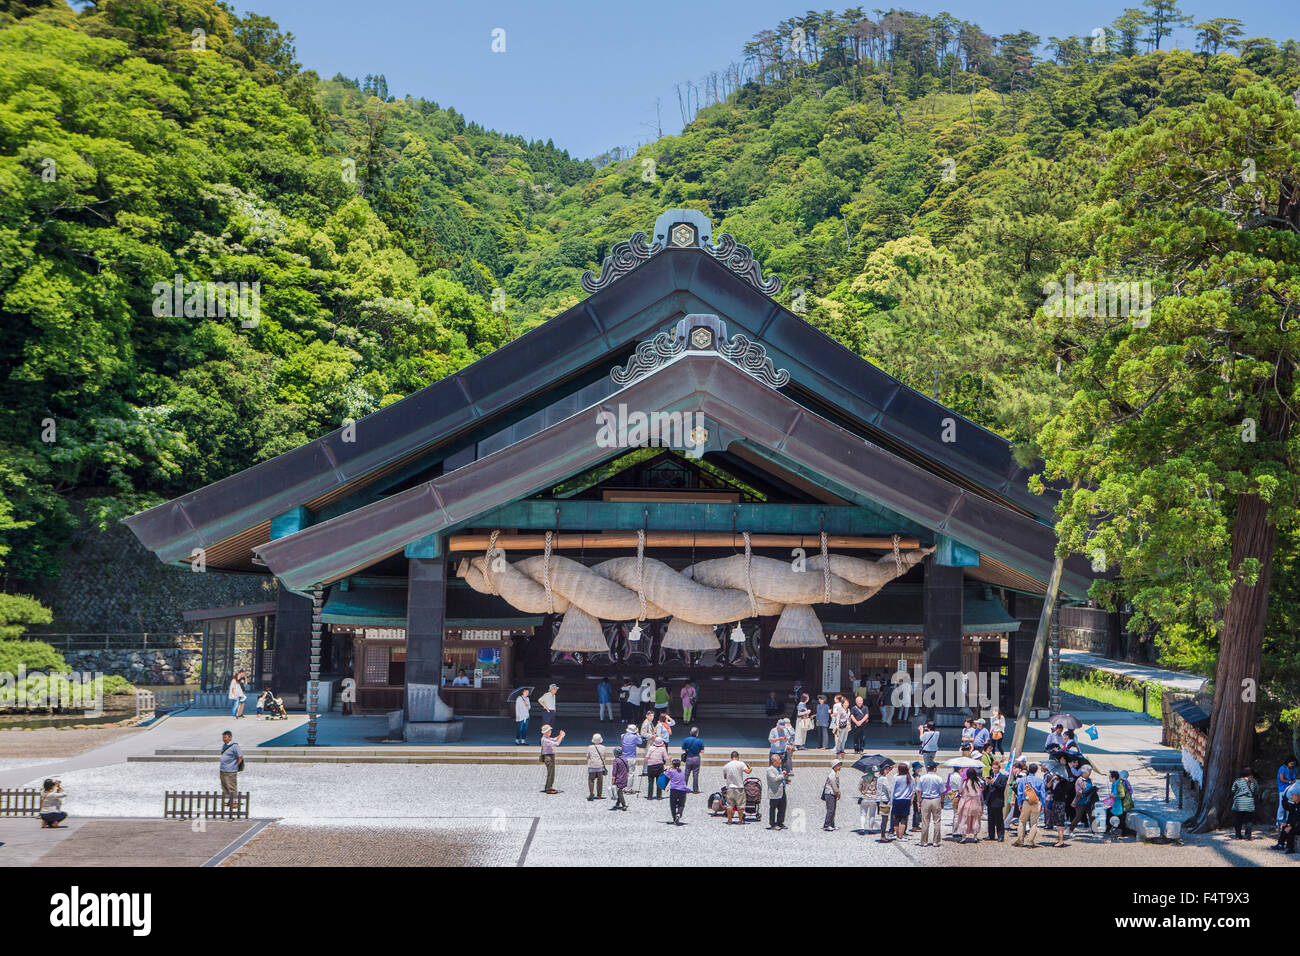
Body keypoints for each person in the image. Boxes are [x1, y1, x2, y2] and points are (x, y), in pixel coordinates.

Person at [1013, 762, 1044, 847]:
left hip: (1026, 802)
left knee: (1022, 821)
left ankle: (1020, 840)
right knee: (1034, 823)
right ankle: (1031, 841)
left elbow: (1019, 793)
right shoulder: (1040, 780)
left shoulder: (1023, 780)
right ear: (1036, 771)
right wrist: (1043, 805)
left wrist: (1019, 803)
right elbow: (1042, 794)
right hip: (1036, 802)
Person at [916, 763, 946, 847]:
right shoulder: (938, 778)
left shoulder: (922, 778)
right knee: (937, 821)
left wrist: (918, 802)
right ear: (934, 769)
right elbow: (943, 791)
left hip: (925, 800)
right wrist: (942, 801)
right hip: (936, 799)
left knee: (925, 821)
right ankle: (936, 841)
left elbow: (919, 791)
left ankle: (924, 841)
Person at [1044, 765, 1073, 847]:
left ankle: (1061, 841)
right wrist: (1052, 781)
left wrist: (1054, 782)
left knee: (1060, 823)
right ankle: (1060, 840)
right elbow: (1047, 787)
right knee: (1058, 823)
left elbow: (1056, 791)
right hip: (1058, 803)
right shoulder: (1059, 782)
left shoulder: (1063, 784)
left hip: (1060, 803)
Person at [722, 751, 753, 825]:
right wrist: (750, 768)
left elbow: (725, 777)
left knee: (729, 805)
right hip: (739, 787)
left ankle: (729, 820)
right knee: (740, 805)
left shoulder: (726, 766)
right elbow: (748, 772)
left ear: (731, 757)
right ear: (738, 757)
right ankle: (740, 820)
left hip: (730, 787)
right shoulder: (741, 764)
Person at [955, 768, 984, 843]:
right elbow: (980, 793)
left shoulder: (966, 782)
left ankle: (963, 837)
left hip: (967, 803)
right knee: (976, 820)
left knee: (965, 820)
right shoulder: (978, 783)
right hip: (976, 803)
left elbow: (961, 791)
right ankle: (975, 837)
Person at [1230, 766, 1260, 839]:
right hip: (1249, 803)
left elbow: (1233, 790)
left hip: (1239, 803)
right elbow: (1257, 791)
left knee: (1238, 820)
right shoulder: (1254, 781)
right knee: (1249, 821)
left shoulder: (1238, 781)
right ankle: (1248, 835)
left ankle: (1238, 835)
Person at [890, 759, 915, 840]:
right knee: (904, 818)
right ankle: (901, 835)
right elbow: (912, 790)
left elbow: (893, 790)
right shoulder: (910, 778)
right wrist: (911, 798)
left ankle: (897, 835)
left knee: (896, 818)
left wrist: (891, 800)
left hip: (897, 799)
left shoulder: (896, 778)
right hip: (906, 800)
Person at [1068, 766, 1097, 835]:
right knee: (1078, 817)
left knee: (1092, 816)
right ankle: (1070, 830)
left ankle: (1095, 832)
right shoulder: (1079, 780)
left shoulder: (1089, 780)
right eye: (1089, 771)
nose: (1090, 773)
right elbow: (1079, 792)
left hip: (1089, 801)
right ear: (1084, 772)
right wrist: (1087, 792)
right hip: (1080, 801)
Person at [219, 730, 244, 808]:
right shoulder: (224, 746)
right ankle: (230, 801)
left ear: (230, 737)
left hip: (231, 770)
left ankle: (235, 802)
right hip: (223, 769)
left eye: (225, 737)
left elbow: (240, 757)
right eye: (223, 737)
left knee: (232, 786)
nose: (224, 739)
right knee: (225, 786)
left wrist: (235, 766)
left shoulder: (234, 746)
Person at [1105, 769, 1131, 839]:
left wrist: (1114, 796)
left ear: (1114, 778)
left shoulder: (1119, 784)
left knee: (1120, 817)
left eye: (1110, 777)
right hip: (1117, 804)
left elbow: (1122, 795)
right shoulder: (1115, 784)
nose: (1109, 778)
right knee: (1110, 812)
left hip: (1122, 804)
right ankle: (1111, 828)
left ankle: (1121, 831)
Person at [985, 760, 1007, 841]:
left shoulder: (1003, 777)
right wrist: (987, 783)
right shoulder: (991, 776)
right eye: (993, 768)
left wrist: (994, 783)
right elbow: (987, 789)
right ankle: (991, 835)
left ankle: (1000, 835)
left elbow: (1002, 787)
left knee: (999, 820)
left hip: (998, 801)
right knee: (990, 819)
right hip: (990, 800)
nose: (994, 769)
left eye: (996, 768)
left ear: (999, 768)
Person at [1276, 757, 1298, 836]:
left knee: (1291, 805)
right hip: (1282, 789)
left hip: (1291, 789)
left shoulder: (1294, 769)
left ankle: (1289, 821)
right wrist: (1289, 781)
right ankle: (1279, 820)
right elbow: (1281, 779)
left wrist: (1294, 781)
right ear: (1287, 762)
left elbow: (1294, 778)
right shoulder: (1282, 768)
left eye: (1294, 764)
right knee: (1282, 806)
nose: (1292, 765)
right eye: (1291, 763)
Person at [539, 725, 565, 794]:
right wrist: (561, 736)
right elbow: (556, 744)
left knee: (551, 773)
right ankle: (548, 788)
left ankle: (549, 786)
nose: (550, 731)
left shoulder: (546, 738)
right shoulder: (545, 739)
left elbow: (554, 739)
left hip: (550, 756)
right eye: (549, 730)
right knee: (550, 773)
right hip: (548, 757)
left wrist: (560, 735)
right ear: (546, 732)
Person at [766, 752, 789, 830]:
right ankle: (772, 824)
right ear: (774, 761)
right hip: (774, 792)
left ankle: (780, 822)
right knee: (773, 808)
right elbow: (774, 779)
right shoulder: (770, 770)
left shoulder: (779, 768)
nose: (780, 761)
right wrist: (783, 775)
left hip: (782, 790)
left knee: (782, 807)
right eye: (779, 760)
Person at [619, 723, 643, 796]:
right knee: (630, 774)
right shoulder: (635, 737)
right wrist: (637, 733)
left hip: (623, 757)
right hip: (631, 757)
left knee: (623, 773)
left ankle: (622, 787)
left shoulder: (623, 736)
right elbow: (640, 742)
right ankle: (628, 789)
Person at [665, 758, 690, 824]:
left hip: (674, 789)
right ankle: (679, 814)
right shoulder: (683, 772)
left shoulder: (671, 771)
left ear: (672, 765)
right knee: (681, 804)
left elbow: (666, 775)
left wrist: (669, 768)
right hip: (682, 789)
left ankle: (674, 818)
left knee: (672, 804)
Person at [645, 734, 668, 799]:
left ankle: (649, 796)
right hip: (659, 766)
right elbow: (666, 758)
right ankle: (659, 796)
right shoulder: (663, 749)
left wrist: (646, 761)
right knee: (659, 781)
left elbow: (647, 757)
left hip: (651, 766)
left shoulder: (651, 748)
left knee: (650, 782)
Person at [681, 727, 705, 792]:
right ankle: (695, 790)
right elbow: (702, 751)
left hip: (688, 758)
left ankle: (683, 788)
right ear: (697, 734)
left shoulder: (686, 740)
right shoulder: (700, 741)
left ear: (690, 733)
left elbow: (683, 749)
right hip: (696, 758)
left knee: (686, 773)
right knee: (695, 774)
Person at [856, 768, 879, 835]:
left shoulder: (863, 778)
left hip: (864, 797)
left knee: (863, 814)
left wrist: (863, 792)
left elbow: (859, 787)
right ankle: (871, 829)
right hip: (873, 798)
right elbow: (878, 788)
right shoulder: (876, 779)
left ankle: (862, 829)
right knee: (872, 815)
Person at [586, 733, 608, 800]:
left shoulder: (590, 747)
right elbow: (604, 757)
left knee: (591, 780)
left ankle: (591, 793)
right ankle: (599, 795)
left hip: (592, 765)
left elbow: (587, 756)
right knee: (600, 781)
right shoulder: (603, 747)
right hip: (600, 766)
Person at [1278, 788, 1300, 854]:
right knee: (1285, 827)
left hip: (1298, 825)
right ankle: (1280, 844)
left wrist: (1291, 826)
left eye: (1293, 795)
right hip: (1295, 824)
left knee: (1291, 830)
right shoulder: (1294, 805)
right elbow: (1291, 816)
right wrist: (1287, 824)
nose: (1291, 796)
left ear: (1298, 796)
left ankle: (1291, 848)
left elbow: (1298, 819)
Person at [822, 758, 842, 831]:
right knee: (830, 810)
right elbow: (833, 784)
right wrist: (837, 792)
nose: (840, 767)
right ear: (834, 766)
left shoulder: (834, 773)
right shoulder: (832, 774)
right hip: (830, 793)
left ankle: (832, 824)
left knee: (833, 809)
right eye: (838, 765)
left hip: (832, 793)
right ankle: (826, 825)